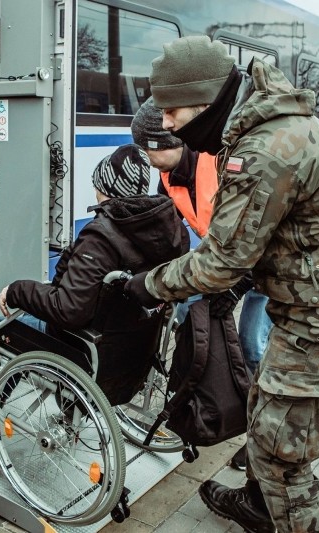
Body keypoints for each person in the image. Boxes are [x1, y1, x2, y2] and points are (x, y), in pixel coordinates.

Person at [125, 36, 319, 533]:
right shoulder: (267, 124)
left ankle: (280, 510)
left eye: (171, 113)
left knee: (282, 456)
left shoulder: (261, 151)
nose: (164, 126)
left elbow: (219, 262)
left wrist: (145, 285)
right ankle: (257, 502)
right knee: (268, 409)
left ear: (204, 100)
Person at [131, 97, 273, 470]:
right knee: (188, 319)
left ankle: (262, 442)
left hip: (266, 270)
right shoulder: (167, 177)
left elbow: (262, 233)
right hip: (226, 265)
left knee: (252, 346)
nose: (143, 156)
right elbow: (169, 234)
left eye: (146, 148)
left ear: (165, 144)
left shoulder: (223, 166)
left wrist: (237, 286)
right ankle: (202, 401)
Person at [0, 144, 188, 403]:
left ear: (105, 187)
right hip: (131, 358)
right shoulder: (165, 232)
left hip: (88, 352)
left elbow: (69, 310)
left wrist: (16, 290)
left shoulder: (102, 237)